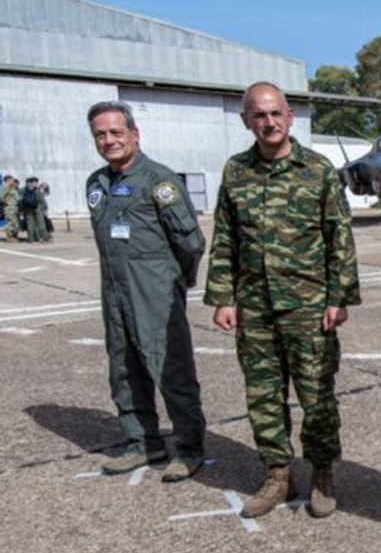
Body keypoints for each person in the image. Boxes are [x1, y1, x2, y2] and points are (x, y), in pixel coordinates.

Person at [205, 81, 361, 519]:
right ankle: (277, 473)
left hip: (309, 307)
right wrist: (223, 297)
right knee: (263, 397)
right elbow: (225, 239)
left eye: (276, 113)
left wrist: (340, 296)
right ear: (246, 121)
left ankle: (323, 474)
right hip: (254, 306)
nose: (269, 122)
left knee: (317, 398)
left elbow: (339, 237)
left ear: (290, 116)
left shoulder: (318, 169)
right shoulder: (235, 172)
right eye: (259, 115)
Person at [85, 101, 208, 480]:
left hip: (155, 294)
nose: (109, 141)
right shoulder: (97, 183)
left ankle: (189, 447)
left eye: (116, 133)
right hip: (115, 293)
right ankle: (143, 442)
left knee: (170, 370)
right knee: (124, 369)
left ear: (134, 135)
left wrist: (174, 282)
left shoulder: (160, 181)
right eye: (101, 135)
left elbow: (191, 243)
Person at [21, 176, 47, 242]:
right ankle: (43, 237)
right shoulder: (37, 190)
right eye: (36, 182)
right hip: (37, 208)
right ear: (33, 182)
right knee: (40, 223)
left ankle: (30, 238)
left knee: (30, 223)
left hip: (27, 208)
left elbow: (20, 200)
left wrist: (21, 209)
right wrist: (45, 207)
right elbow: (42, 199)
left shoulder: (23, 189)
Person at [2, 175, 19, 242]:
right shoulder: (5, 187)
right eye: (12, 179)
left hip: (14, 207)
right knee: (10, 222)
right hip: (9, 208)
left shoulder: (12, 187)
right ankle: (9, 236)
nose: (13, 181)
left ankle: (13, 235)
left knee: (15, 222)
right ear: (8, 180)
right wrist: (7, 202)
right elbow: (1, 196)